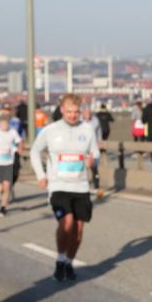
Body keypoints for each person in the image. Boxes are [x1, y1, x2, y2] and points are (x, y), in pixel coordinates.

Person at [30, 94, 101, 282]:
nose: (72, 115)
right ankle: (60, 260)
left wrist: (93, 161)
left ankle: (69, 262)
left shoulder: (87, 129)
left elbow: (95, 153)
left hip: (81, 187)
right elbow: (35, 151)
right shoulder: (51, 130)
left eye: (76, 112)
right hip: (58, 186)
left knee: (78, 229)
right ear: (62, 110)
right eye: (69, 111)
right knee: (67, 222)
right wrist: (41, 175)